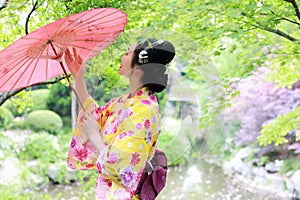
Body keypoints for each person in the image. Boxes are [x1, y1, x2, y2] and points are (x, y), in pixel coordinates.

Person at [65, 38, 175, 200]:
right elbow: (96, 117)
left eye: (127, 53)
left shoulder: (144, 109)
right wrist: (79, 78)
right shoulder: (126, 102)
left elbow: (123, 168)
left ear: (138, 66)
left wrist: (94, 135)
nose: (121, 58)